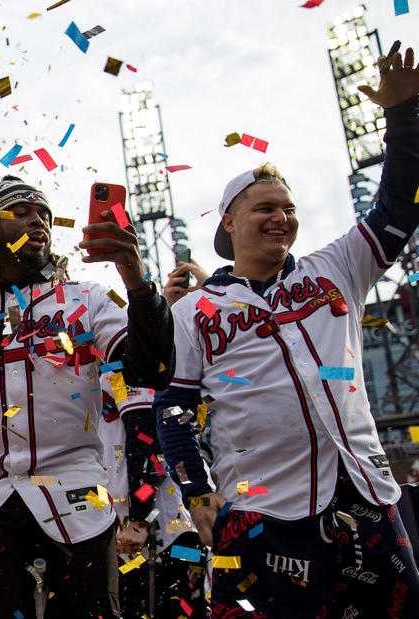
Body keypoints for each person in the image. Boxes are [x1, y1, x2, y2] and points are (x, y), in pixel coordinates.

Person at [154, 41, 419, 618]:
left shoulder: (337, 267)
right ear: (228, 221)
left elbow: (400, 201)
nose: (281, 217)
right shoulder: (195, 310)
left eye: (289, 207)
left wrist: (402, 118)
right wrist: (196, 492)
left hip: (365, 491)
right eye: (264, 207)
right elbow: (172, 407)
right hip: (262, 511)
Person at [0, 175, 175, 617]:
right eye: (20, 212)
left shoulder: (88, 299)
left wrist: (135, 280)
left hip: (78, 490)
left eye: (42, 213)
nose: (37, 220)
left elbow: (152, 368)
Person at [98, 382, 206, 619]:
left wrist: (140, 520)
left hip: (167, 530)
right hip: (125, 529)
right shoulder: (103, 371)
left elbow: (152, 455)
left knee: (172, 606)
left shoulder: (134, 366)